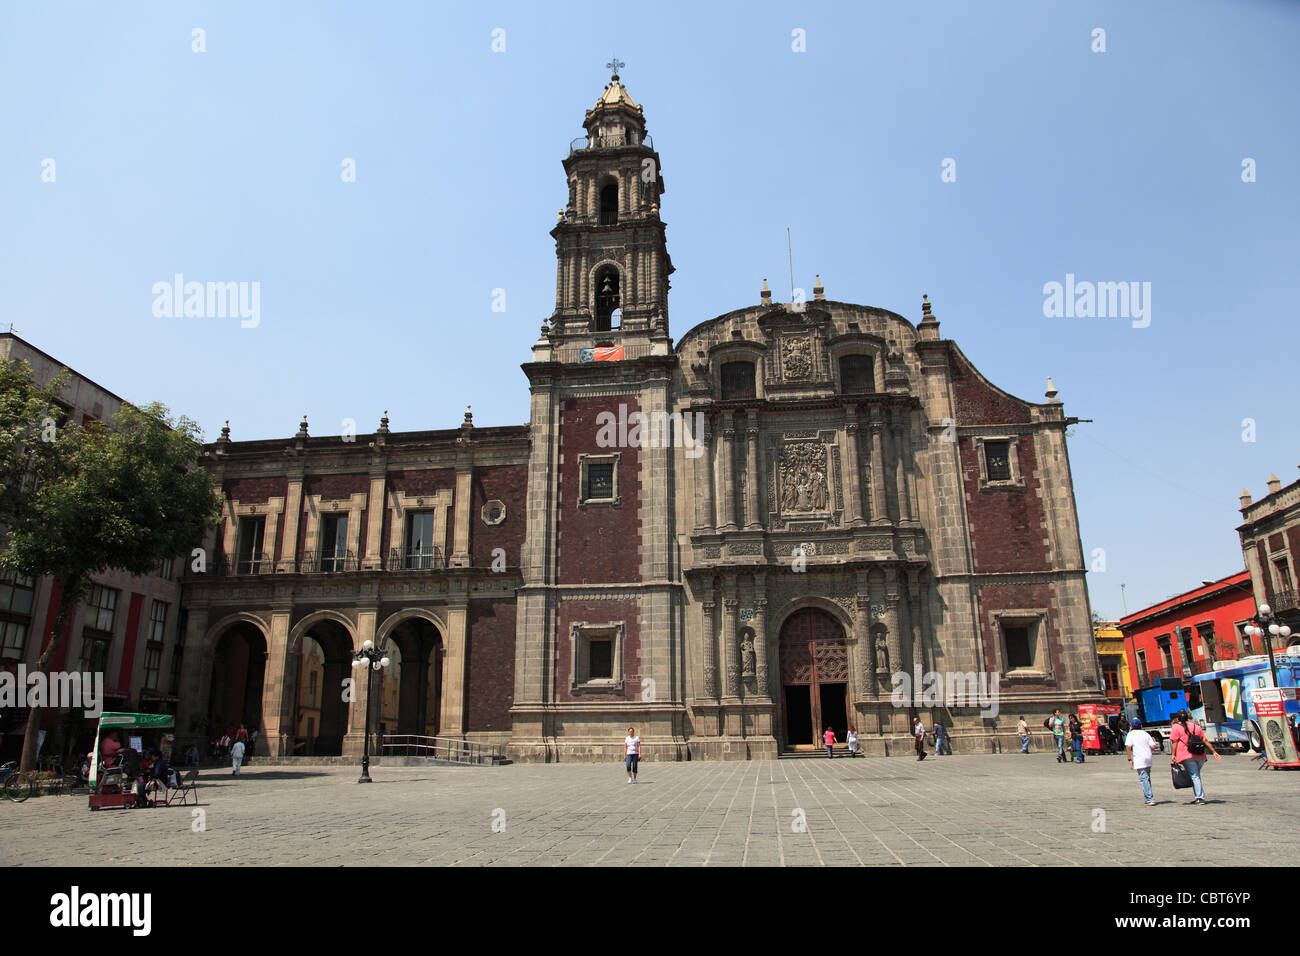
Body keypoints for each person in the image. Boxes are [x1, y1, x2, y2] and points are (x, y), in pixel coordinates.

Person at [1169, 709, 1220, 804]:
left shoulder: (1176, 727)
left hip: (1187, 755)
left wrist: (1173, 754)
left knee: (1194, 776)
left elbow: (1174, 742)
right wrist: (1214, 752)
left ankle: (1200, 798)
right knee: (1195, 775)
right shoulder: (1196, 726)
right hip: (1200, 754)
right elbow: (1204, 740)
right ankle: (1198, 795)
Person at [1124, 717, 1157, 806]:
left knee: (1143, 779)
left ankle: (1150, 799)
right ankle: (1148, 797)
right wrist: (1146, 749)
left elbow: (1128, 746)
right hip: (1148, 757)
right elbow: (1153, 746)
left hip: (1139, 758)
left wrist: (1129, 758)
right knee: (1147, 777)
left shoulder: (1131, 734)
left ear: (1131, 726)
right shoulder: (1145, 733)